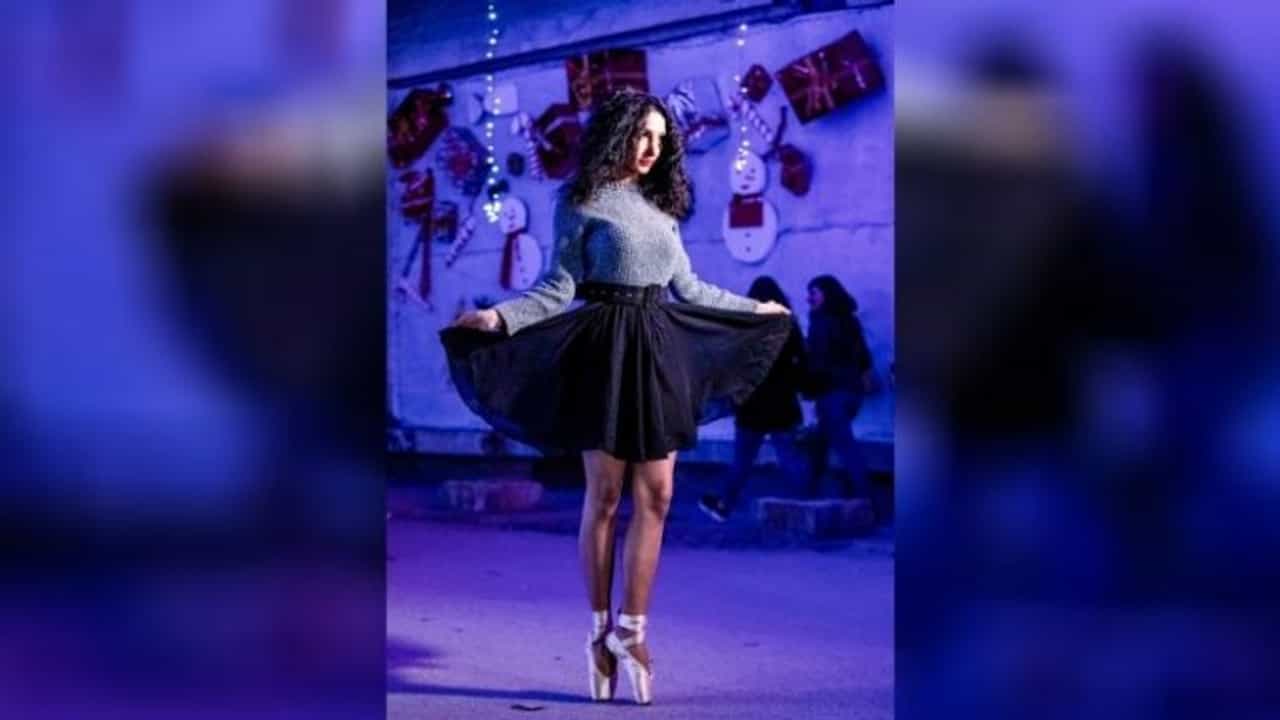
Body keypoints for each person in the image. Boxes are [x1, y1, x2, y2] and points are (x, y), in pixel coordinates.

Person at [439, 89, 791, 705]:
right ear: (617, 133)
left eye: (660, 138)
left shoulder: (663, 207)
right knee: (604, 498)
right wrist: (498, 318)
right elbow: (557, 286)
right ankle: (598, 634)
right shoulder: (580, 200)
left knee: (659, 496)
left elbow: (690, 287)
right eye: (642, 134)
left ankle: (633, 632)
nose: (651, 148)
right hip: (604, 351)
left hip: (657, 351)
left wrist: (753, 308)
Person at [698, 276, 810, 522]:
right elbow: (802, 361)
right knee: (789, 455)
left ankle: (725, 504)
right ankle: (806, 504)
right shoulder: (788, 324)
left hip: (752, 403)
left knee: (743, 459)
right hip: (782, 401)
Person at [803, 274, 874, 501]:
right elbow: (863, 356)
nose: (809, 298)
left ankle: (866, 498)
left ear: (827, 293)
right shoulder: (849, 319)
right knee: (821, 442)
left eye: (813, 293)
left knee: (843, 445)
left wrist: (810, 389)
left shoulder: (822, 322)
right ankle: (811, 491)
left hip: (833, 392)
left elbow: (817, 360)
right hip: (851, 391)